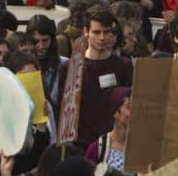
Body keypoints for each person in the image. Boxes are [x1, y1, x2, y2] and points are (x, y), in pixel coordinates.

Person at [57, 8, 133, 149]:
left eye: (106, 32)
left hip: (111, 144)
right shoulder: (71, 67)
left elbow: (129, 106)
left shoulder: (124, 66)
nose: (102, 37)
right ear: (86, 32)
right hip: (79, 145)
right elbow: (63, 110)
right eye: (97, 32)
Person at [84, 87, 131, 170]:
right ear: (115, 112)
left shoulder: (142, 147)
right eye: (129, 107)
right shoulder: (97, 149)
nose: (134, 111)